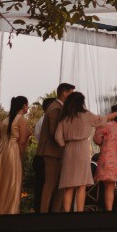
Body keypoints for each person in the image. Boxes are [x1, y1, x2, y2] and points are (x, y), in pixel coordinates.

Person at [52, 91, 104, 212]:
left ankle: (66, 213)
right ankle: (79, 213)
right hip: (82, 149)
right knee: (82, 185)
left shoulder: (64, 117)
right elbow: (102, 120)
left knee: (68, 186)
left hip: (69, 149)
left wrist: (65, 145)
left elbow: (58, 137)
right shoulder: (87, 115)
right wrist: (116, 113)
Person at [35, 82, 73, 213]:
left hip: (56, 152)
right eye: (71, 93)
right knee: (50, 184)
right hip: (52, 152)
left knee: (58, 185)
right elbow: (54, 132)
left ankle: (54, 212)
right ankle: (44, 212)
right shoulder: (56, 109)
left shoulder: (57, 107)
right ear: (65, 93)